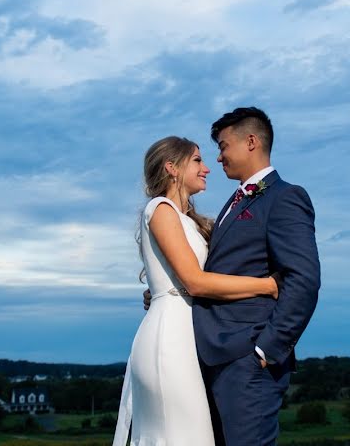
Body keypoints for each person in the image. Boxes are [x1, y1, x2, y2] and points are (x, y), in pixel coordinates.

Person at [145, 106, 321, 446]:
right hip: (208, 357)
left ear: (251, 142)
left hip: (247, 359)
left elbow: (303, 280)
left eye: (224, 146)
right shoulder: (232, 203)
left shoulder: (285, 198)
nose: (219, 158)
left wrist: (266, 349)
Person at [113, 136, 279, 446]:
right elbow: (195, 282)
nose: (207, 168)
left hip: (191, 336)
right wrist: (268, 285)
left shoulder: (189, 221)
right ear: (172, 168)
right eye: (197, 160)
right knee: (176, 433)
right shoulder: (160, 209)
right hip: (170, 339)